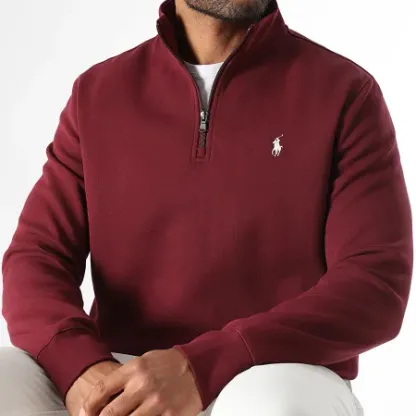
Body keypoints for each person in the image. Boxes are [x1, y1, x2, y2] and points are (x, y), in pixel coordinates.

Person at [1, 0, 413, 415]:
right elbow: (36, 258)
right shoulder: (98, 93)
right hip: (126, 371)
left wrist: (204, 364)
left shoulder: (343, 92)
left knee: (276, 405)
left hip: (276, 369)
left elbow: (375, 283)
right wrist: (81, 368)